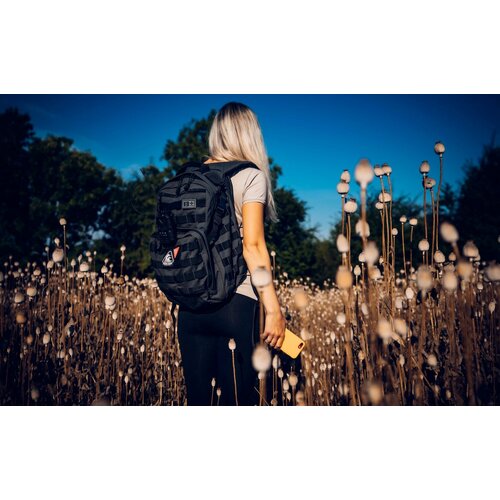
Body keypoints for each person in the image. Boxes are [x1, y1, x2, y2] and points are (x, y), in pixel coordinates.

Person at [176, 102, 286, 406]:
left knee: (200, 402)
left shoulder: (188, 179)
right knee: (238, 400)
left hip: (190, 308)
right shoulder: (250, 176)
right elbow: (253, 246)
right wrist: (273, 309)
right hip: (236, 303)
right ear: (251, 134)